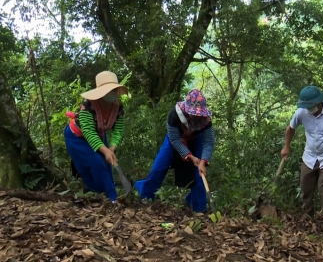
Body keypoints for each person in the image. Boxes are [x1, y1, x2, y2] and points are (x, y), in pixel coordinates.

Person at [134, 89, 215, 213]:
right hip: (175, 140)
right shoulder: (174, 115)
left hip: (195, 141)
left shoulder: (206, 120)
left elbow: (209, 142)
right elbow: (175, 139)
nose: (196, 116)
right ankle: (146, 195)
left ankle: (198, 207)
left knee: (199, 175)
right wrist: (191, 157)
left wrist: (203, 161)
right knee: (159, 167)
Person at [281, 86, 323, 216]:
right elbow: (290, 128)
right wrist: (286, 146)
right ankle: (308, 216)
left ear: (319, 102)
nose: (309, 109)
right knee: (305, 188)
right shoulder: (301, 112)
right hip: (309, 156)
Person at [64, 71, 128, 203]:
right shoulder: (87, 107)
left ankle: (105, 192)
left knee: (107, 163)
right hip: (77, 137)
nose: (112, 93)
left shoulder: (119, 108)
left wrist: (112, 148)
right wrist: (105, 150)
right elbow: (88, 132)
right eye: (109, 90)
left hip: (99, 135)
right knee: (95, 163)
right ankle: (111, 198)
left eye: (114, 90)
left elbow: (118, 130)